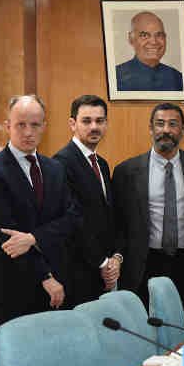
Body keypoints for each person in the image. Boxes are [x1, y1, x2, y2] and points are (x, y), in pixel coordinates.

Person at [0, 95, 79, 366]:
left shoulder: (55, 168)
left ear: (44, 126)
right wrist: (46, 277)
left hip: (53, 291)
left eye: (35, 125)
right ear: (8, 125)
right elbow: (8, 239)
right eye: (21, 124)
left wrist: (33, 238)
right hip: (11, 289)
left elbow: (71, 219)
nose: (28, 132)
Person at [112, 103, 184, 330]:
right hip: (143, 263)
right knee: (143, 330)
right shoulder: (127, 171)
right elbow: (119, 222)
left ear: (183, 130)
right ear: (150, 128)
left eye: (173, 124)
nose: (165, 129)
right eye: (160, 123)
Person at [53, 95, 121, 306]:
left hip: (105, 272)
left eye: (100, 121)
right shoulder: (61, 163)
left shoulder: (102, 163)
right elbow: (75, 221)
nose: (94, 127)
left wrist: (115, 259)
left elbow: (109, 217)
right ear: (72, 124)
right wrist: (102, 263)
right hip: (78, 273)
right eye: (86, 120)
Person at [116, 11, 183, 91]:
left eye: (159, 35)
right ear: (131, 39)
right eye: (144, 35)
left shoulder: (177, 78)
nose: (154, 42)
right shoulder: (117, 76)